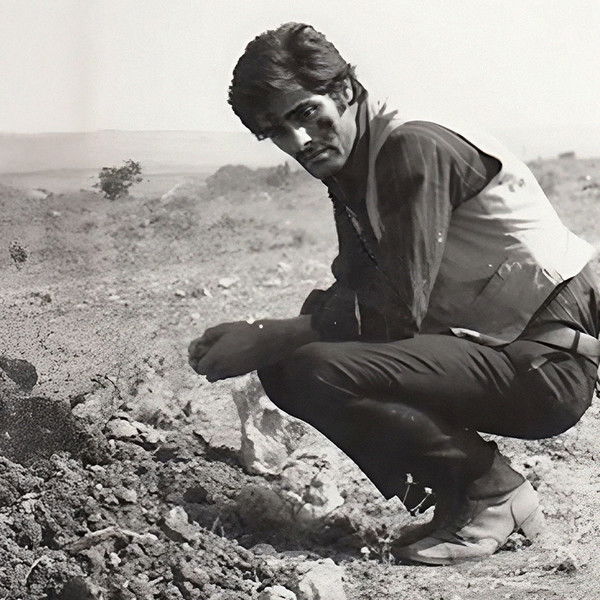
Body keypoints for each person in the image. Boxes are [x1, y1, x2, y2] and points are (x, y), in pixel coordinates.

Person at [188, 22, 600, 564]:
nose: (300, 142)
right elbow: (360, 288)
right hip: (501, 350)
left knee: (310, 366)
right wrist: (266, 336)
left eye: (306, 114)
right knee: (292, 364)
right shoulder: (351, 158)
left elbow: (396, 311)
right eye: (277, 132)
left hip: (546, 365)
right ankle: (463, 497)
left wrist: (271, 335)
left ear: (343, 90)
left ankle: (490, 493)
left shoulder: (410, 146)